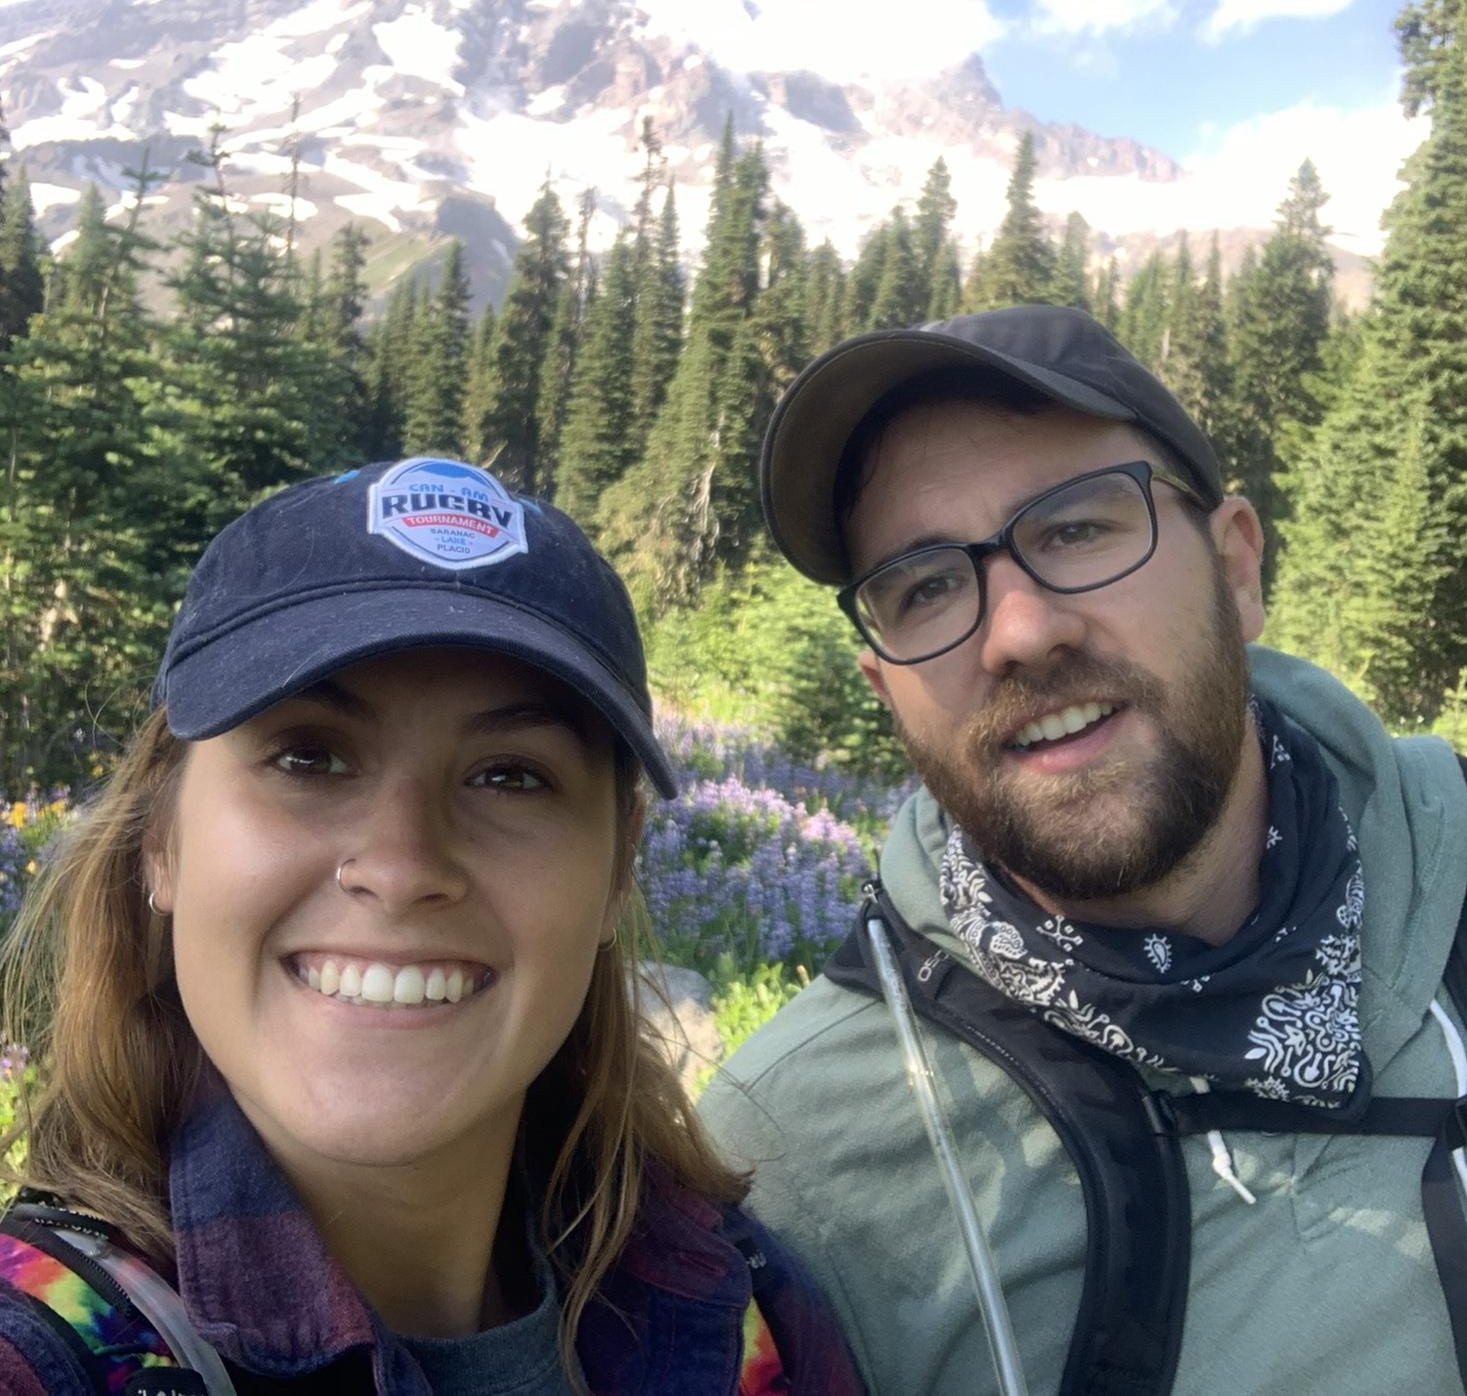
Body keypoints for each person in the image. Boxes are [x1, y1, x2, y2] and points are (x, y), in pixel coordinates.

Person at [698, 306, 1467, 1396]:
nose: (1021, 632)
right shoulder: (780, 1157)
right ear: (888, 692)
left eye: (1077, 528)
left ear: (1236, 567)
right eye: (925, 585)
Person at [0, 456, 864, 1395]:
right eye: (308, 757)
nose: (403, 867)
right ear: (162, 839)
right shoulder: (48, 1355)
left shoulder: (747, 1310)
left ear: (619, 866)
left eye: (510, 776)